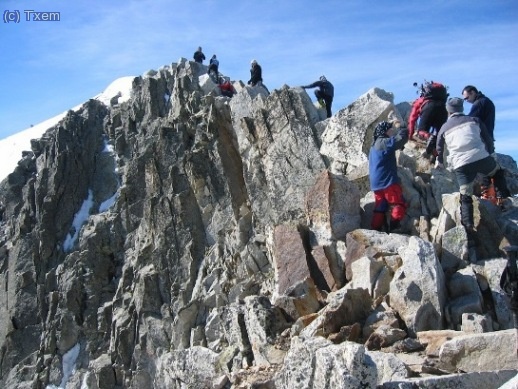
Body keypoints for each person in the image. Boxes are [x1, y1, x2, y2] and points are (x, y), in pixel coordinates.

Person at [435, 97, 510, 237]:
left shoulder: (444, 128)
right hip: (480, 157)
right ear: (461, 109)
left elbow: (439, 147)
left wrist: (439, 161)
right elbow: (487, 138)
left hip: (461, 165)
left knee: (465, 194)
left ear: (448, 111)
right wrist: (491, 152)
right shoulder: (474, 120)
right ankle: (502, 197)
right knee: (497, 172)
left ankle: (468, 225)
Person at [368, 120, 409, 232]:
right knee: (399, 203)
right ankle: (394, 227)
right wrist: (403, 127)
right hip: (387, 181)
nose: (392, 131)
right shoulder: (384, 142)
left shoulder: (373, 146)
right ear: (385, 131)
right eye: (391, 129)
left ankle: (375, 228)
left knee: (380, 207)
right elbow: (400, 139)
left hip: (376, 184)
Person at [410, 81, 448, 159]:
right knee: (439, 134)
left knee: (421, 131)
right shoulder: (441, 100)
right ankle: (437, 154)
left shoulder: (420, 101)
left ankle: (429, 137)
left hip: (429, 108)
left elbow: (412, 119)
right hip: (443, 109)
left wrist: (410, 135)